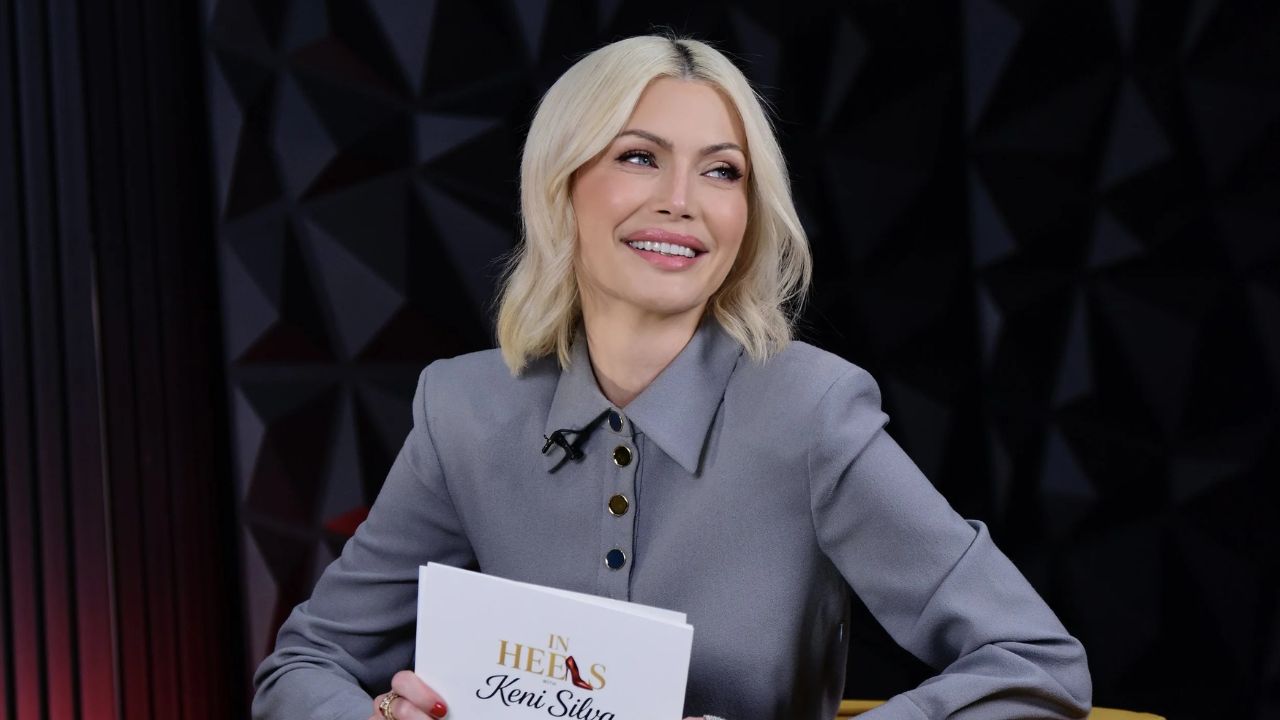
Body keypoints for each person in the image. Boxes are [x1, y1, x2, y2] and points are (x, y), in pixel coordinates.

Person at [251, 35, 1092, 720]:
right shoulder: (463, 409)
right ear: (561, 184)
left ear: (747, 214)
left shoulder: (813, 412)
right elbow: (303, 666)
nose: (682, 199)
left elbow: (1033, 663)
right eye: (639, 157)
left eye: (722, 171)